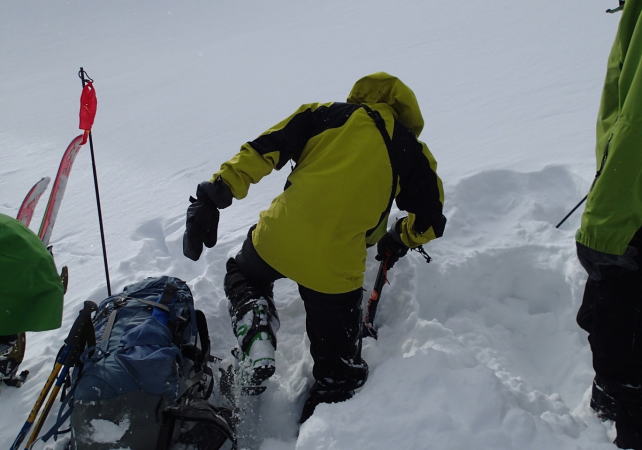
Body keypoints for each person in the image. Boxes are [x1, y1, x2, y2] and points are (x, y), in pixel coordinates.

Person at [183, 72, 446, 422]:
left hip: (278, 237)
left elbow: (262, 150)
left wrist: (215, 195)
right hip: (336, 269)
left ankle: (256, 325)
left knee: (244, 275)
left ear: (361, 97)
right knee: (338, 374)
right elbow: (430, 220)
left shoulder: (326, 114)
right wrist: (402, 236)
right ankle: (323, 425)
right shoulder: (411, 151)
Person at [575, 2, 642, 448]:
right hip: (621, 216)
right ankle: (616, 401)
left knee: (614, 320)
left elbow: (629, 122)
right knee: (613, 322)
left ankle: (616, 402)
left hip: (621, 215)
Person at [0, 213, 65, 386]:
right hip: (33, 269)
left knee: (7, 316)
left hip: (23, 276)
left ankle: (5, 352)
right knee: (10, 316)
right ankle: (6, 352)